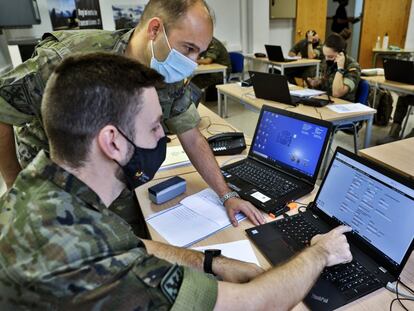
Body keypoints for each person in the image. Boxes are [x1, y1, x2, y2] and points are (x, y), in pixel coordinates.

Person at [0, 52, 353, 311]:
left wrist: (212, 262)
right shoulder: (89, 262)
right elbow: (253, 304)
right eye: (155, 127)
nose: (163, 138)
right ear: (112, 141)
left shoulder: (45, 186)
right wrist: (320, 251)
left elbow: (131, 244)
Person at [0, 0, 264, 237]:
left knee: (133, 235)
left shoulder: (169, 71)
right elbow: (2, 107)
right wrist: (14, 183)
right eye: (189, 48)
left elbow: (192, 136)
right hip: (57, 170)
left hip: (115, 175)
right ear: (155, 30)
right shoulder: (71, 57)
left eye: (200, 53)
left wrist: (226, 195)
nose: (193, 62)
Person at [307, 33, 361, 102]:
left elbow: (337, 93)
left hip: (342, 105)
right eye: (325, 56)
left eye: (330, 56)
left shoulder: (353, 67)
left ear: (341, 53)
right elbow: (327, 85)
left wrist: (340, 69)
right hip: (326, 101)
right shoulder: (328, 62)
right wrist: (317, 83)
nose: (326, 59)